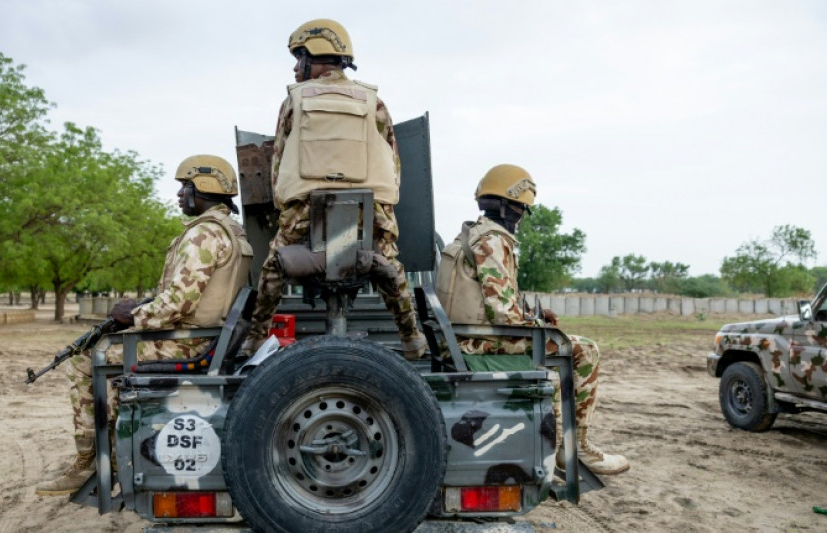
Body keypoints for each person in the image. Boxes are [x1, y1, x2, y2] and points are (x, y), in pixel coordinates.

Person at [35, 155, 253, 495]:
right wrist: (140, 307)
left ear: (203, 187)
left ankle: (90, 462)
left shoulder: (203, 234)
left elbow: (179, 303)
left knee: (84, 360)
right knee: (103, 351)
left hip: (188, 342)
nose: (180, 194)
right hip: (203, 338)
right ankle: (111, 454)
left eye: (185, 186)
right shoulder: (231, 230)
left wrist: (132, 316)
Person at [241, 18, 427, 359]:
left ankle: (254, 339)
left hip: (305, 213)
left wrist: (289, 203)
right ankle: (411, 337)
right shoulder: (375, 102)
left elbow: (278, 164)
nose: (296, 67)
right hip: (370, 214)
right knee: (391, 266)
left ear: (314, 56)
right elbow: (393, 164)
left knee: (272, 266)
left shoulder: (294, 101)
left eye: (299, 58)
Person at [435, 164, 629, 475]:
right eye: (523, 210)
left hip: (461, 338)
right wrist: (540, 326)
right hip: (476, 343)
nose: (522, 217)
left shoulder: (470, 234)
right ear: (513, 208)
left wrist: (532, 317)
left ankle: (564, 444)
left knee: (555, 342)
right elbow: (502, 313)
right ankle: (575, 448)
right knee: (584, 349)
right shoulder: (493, 241)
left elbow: (488, 302)